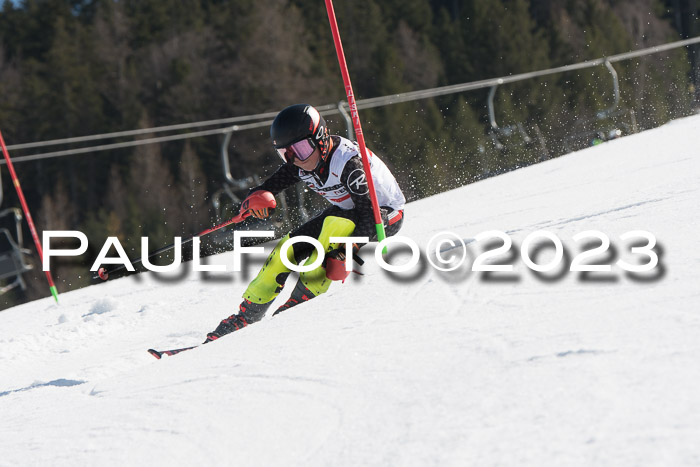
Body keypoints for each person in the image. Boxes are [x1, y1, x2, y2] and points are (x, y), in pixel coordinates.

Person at [204, 104, 406, 342]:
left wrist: (347, 251)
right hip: (345, 213)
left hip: (383, 216)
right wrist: (254, 198)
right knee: (286, 249)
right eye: (285, 153)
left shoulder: (349, 164)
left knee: (330, 234)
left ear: (320, 138)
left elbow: (368, 216)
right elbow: (272, 184)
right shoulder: (301, 163)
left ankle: (300, 303)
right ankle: (247, 315)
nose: (295, 159)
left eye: (299, 148)